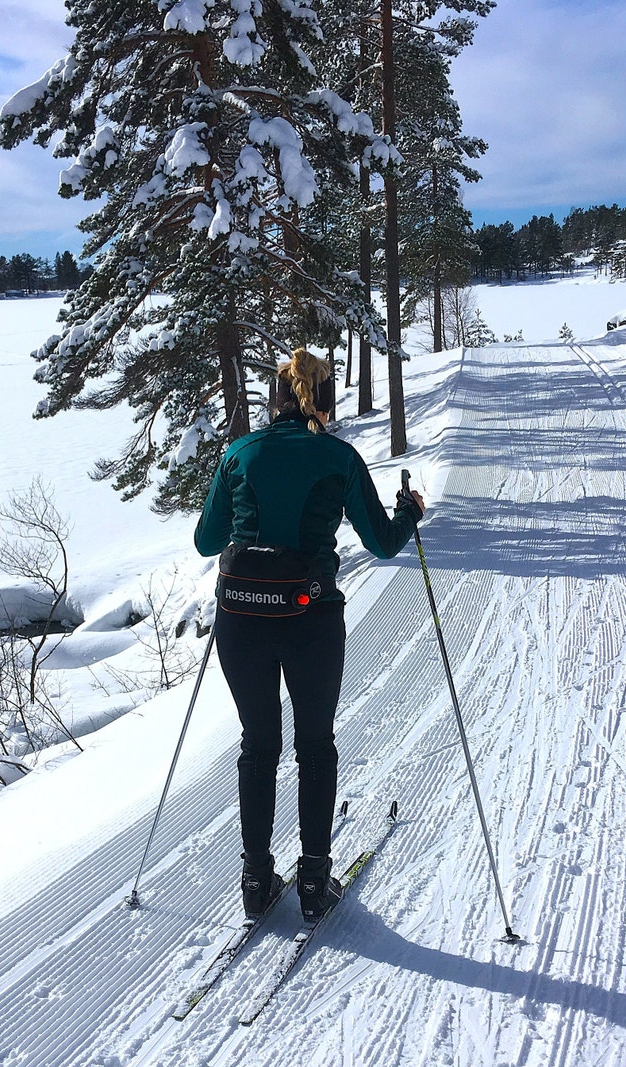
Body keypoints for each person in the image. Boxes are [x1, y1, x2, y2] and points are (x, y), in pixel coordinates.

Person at [194, 347, 426, 922]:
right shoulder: (338, 457)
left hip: (240, 619)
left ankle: (255, 879)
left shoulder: (239, 453)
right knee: (315, 746)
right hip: (310, 619)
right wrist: (409, 513)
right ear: (324, 399)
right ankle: (315, 884)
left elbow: (205, 541)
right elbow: (382, 542)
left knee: (258, 744)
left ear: (276, 400)